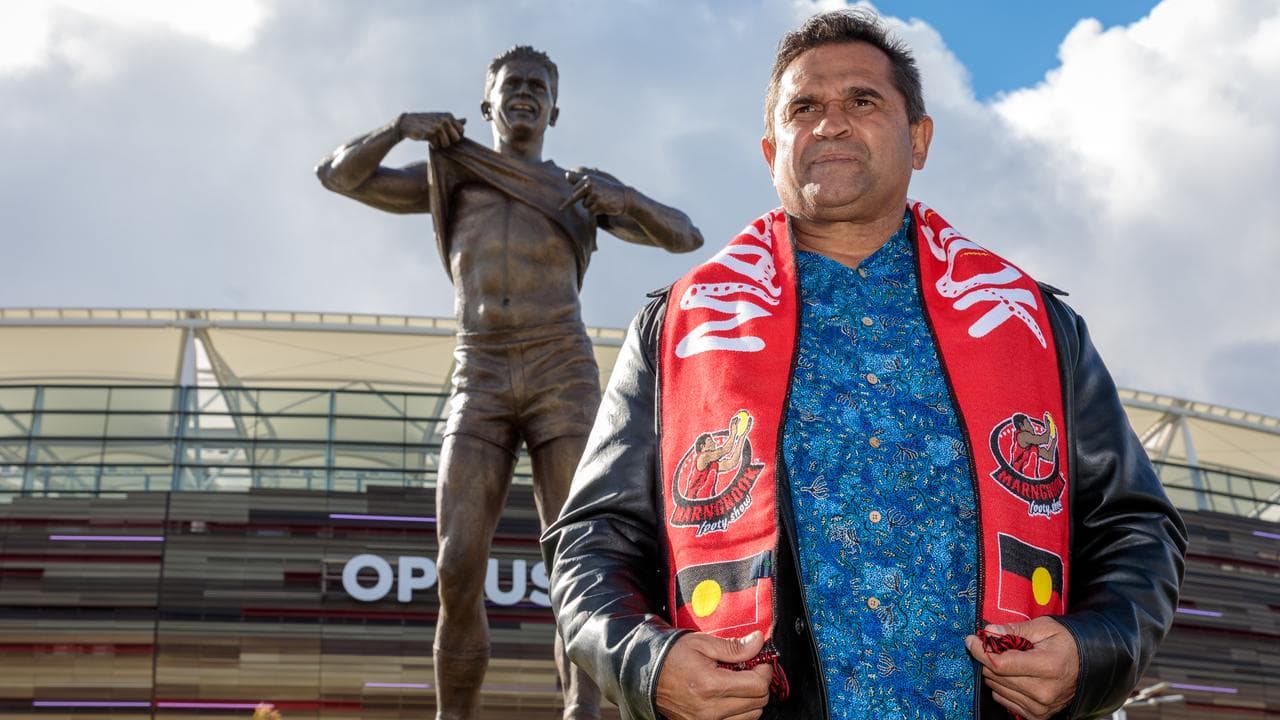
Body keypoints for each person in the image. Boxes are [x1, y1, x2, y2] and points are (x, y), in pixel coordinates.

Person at [542, 10, 1186, 720]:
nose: (832, 124)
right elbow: (592, 542)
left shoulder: (1030, 321)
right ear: (771, 150)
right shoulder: (679, 329)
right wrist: (646, 664)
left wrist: (1092, 650)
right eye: (804, 107)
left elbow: (1135, 528)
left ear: (919, 138)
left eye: (863, 100)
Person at [316, 46, 703, 720]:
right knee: (457, 563)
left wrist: (627, 198)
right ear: (488, 102)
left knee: (578, 563)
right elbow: (338, 176)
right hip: (481, 371)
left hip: (563, 373)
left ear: (556, 107)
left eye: (538, 86)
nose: (524, 94)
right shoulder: (454, 170)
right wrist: (401, 125)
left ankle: (582, 712)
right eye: (511, 85)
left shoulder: (578, 187)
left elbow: (685, 238)